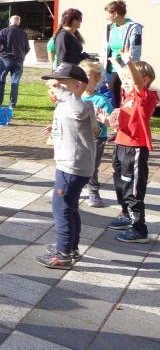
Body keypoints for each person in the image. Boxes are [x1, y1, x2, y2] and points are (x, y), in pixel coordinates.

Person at [36, 63, 97, 269]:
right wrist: (54, 127)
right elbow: (82, 124)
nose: (55, 89)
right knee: (70, 207)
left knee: (60, 208)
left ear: (77, 86)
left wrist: (63, 93)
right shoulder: (68, 103)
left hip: (72, 166)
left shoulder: (79, 104)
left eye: (61, 85)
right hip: (71, 163)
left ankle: (63, 255)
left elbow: (78, 112)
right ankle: (71, 247)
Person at [106, 48, 157, 244]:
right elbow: (126, 78)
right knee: (120, 183)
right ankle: (127, 215)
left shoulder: (144, 97)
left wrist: (128, 63)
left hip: (135, 148)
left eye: (130, 78)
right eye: (124, 78)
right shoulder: (128, 97)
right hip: (120, 144)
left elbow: (135, 82)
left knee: (132, 188)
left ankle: (139, 229)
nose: (125, 81)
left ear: (145, 80)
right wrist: (116, 63)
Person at [79, 60, 113, 208]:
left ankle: (93, 192)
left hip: (96, 138)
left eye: (87, 76)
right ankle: (78, 186)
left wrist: (105, 120)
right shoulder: (75, 97)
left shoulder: (101, 100)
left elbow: (112, 122)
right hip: (78, 137)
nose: (83, 79)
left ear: (97, 79)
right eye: (81, 75)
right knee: (78, 163)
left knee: (92, 166)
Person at [102, 0, 143, 107]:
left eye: (107, 14)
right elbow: (106, 49)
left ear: (115, 14)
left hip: (125, 69)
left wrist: (130, 69)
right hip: (110, 69)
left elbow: (135, 51)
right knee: (113, 97)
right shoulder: (110, 28)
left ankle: (126, 115)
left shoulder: (134, 27)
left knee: (125, 97)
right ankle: (116, 116)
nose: (105, 17)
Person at [0, 15, 30, 108]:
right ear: (18, 22)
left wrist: (0, 53)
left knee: (1, 80)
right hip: (18, 59)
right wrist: (22, 55)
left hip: (5, 58)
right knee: (15, 82)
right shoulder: (23, 34)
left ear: (10, 21)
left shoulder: (3, 31)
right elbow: (27, 48)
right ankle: (12, 103)